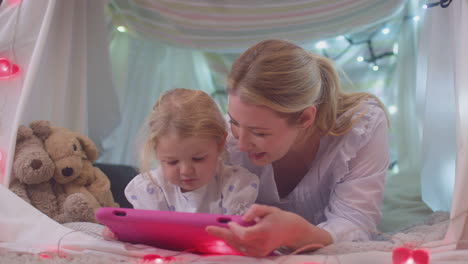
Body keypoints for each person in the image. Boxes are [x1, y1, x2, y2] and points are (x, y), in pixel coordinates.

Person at [205, 39, 390, 257]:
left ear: (305, 118)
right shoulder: (226, 139)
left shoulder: (360, 128)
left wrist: (297, 234)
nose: (242, 144)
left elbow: (357, 224)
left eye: (260, 133)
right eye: (234, 122)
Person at [124, 88, 259, 215]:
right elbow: (143, 234)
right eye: (172, 162)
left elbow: (239, 235)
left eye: (198, 159)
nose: (186, 171)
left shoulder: (235, 185)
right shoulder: (151, 190)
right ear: (156, 152)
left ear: (220, 143)